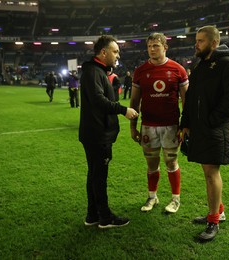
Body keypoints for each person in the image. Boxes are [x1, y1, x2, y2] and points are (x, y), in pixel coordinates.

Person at [180, 26, 229, 242]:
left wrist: (211, 121)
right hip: (201, 128)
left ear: (214, 43)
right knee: (207, 171)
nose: (196, 45)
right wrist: (186, 123)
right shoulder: (202, 65)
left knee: (211, 173)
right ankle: (217, 212)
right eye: (196, 40)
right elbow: (190, 97)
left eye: (200, 41)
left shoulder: (228, 64)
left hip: (215, 129)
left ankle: (213, 221)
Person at [79, 35, 139, 228]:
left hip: (95, 133)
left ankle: (92, 215)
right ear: (103, 52)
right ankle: (105, 217)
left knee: (94, 174)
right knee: (99, 177)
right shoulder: (93, 72)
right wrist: (123, 110)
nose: (117, 55)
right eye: (115, 51)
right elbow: (98, 100)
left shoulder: (96, 70)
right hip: (97, 134)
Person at [130, 32, 189, 214]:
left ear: (165, 47)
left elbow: (186, 101)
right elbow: (134, 102)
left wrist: (184, 125)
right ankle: (152, 197)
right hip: (148, 125)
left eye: (156, 45)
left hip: (171, 126)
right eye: (149, 46)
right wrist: (133, 127)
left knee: (171, 162)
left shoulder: (178, 69)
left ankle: (175, 199)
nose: (152, 49)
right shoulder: (140, 71)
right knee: (151, 164)